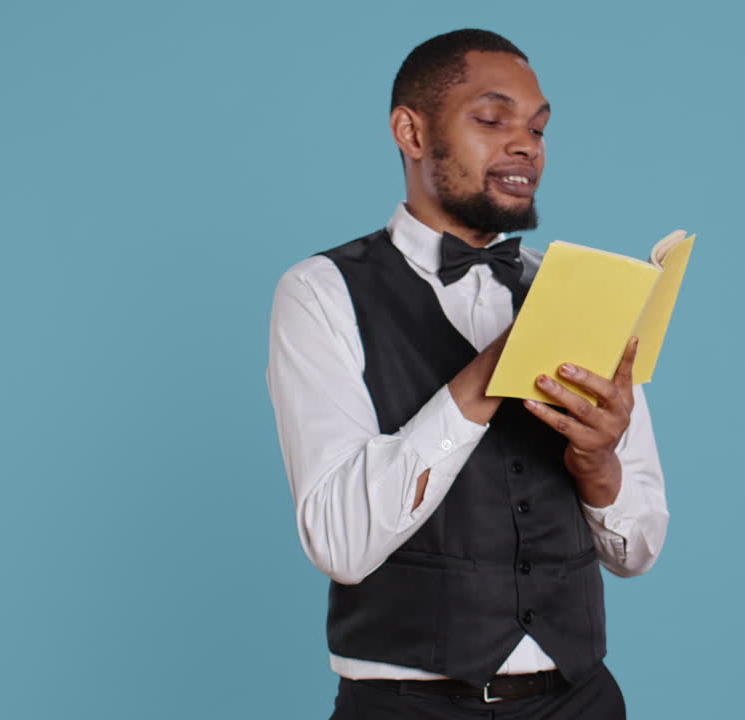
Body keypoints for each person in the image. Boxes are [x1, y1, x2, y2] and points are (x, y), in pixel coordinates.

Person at [266, 28, 669, 719]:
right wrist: (483, 379)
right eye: (491, 119)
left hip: (580, 700)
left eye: (538, 129)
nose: (525, 145)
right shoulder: (321, 292)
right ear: (410, 131)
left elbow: (638, 551)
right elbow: (339, 543)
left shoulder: (577, 291)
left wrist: (600, 464)